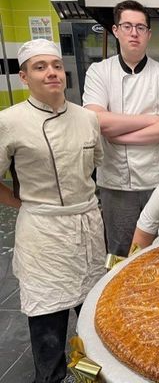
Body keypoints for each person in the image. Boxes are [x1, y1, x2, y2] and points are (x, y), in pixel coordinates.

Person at [0, 39, 105, 383]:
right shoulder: (9, 122)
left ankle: (98, 375)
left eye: (56, 66)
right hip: (43, 233)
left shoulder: (88, 118)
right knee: (48, 318)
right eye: (40, 67)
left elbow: (96, 166)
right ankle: (51, 378)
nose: (51, 73)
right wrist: (23, 205)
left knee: (95, 314)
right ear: (24, 77)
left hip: (87, 226)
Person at [82, 0, 159, 257]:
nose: (134, 33)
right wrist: (152, 120)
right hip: (117, 184)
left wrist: (119, 134)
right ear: (115, 30)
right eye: (127, 26)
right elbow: (96, 120)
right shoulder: (99, 72)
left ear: (149, 34)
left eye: (140, 27)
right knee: (121, 253)